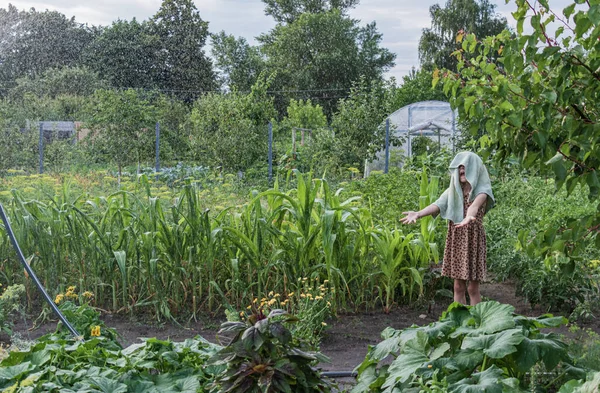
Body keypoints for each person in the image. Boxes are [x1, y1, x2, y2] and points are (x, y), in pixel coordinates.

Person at [400, 152, 495, 305]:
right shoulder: (454, 191)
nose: (462, 171)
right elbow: (437, 205)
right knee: (458, 286)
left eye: (466, 168)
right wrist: (418, 213)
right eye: (460, 169)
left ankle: (476, 324)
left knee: (472, 288)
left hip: (473, 240)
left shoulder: (482, 191)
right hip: (456, 238)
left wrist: (468, 217)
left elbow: (474, 207)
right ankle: (459, 323)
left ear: (475, 170)